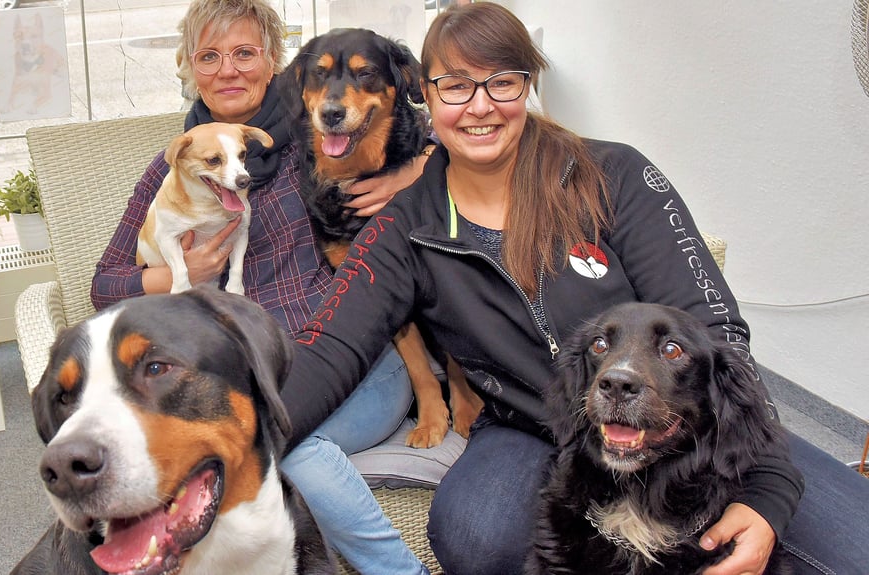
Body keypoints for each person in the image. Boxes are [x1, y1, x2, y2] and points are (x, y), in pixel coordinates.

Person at [279, 3, 869, 574]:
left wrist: (767, 489)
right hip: (530, 428)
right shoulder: (405, 226)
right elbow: (329, 350)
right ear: (426, 94)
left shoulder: (614, 176)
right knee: (475, 536)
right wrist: (228, 431)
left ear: (527, 84)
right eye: (456, 85)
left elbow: (718, 336)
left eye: (501, 83)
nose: (479, 106)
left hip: (677, 431)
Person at [91, 1, 432, 573]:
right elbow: (105, 284)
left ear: (275, 62)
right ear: (190, 68)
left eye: (245, 53)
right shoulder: (178, 163)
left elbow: (452, 145)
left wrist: (416, 168)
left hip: (356, 357)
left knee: (270, 449)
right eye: (210, 56)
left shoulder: (325, 134)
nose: (229, 70)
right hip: (251, 375)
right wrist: (184, 276)